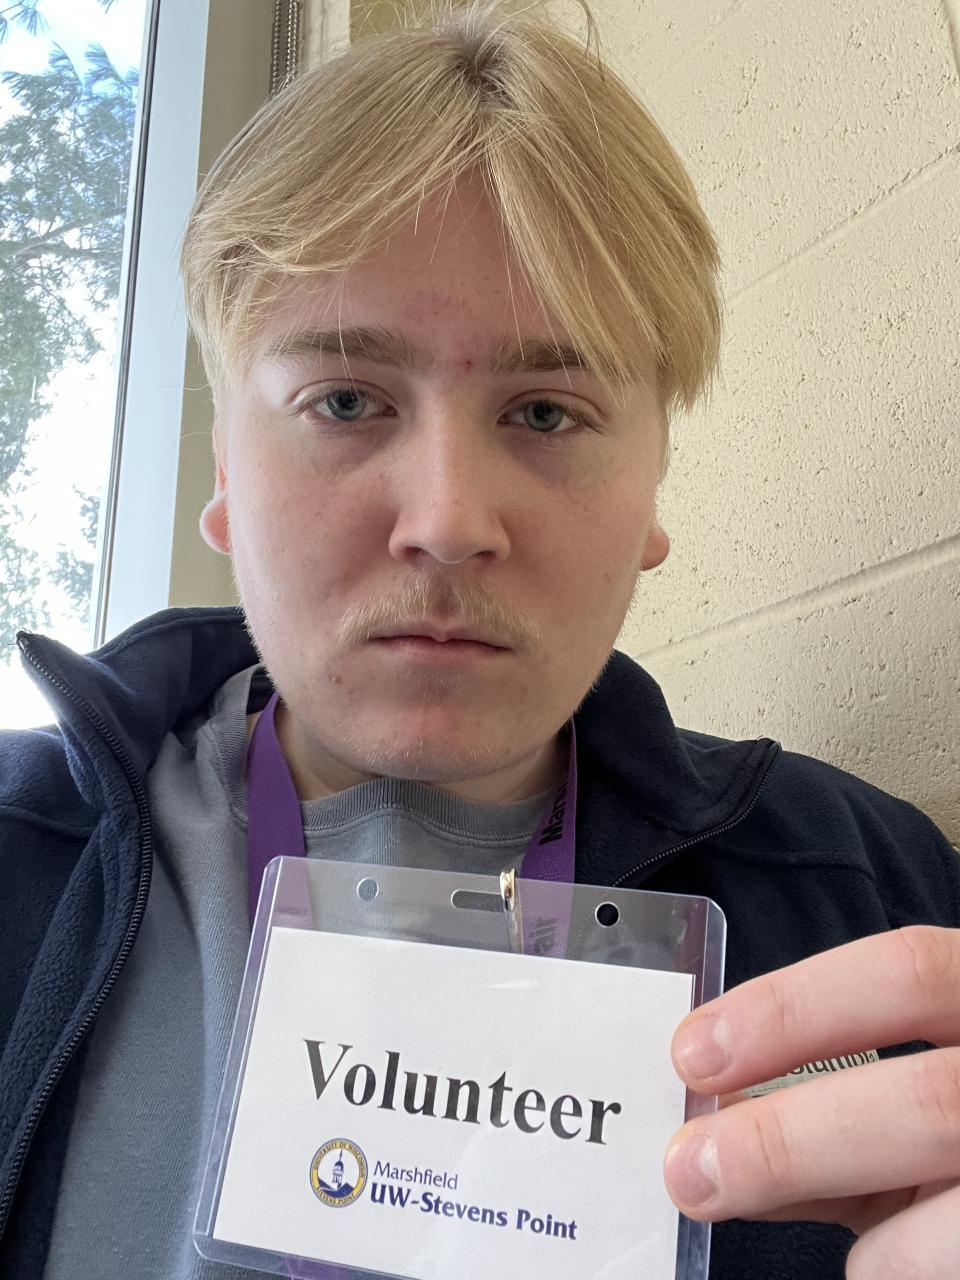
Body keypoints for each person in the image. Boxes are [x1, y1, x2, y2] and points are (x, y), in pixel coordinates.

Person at [1, 1, 957, 1277]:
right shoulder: (15, 856)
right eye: (346, 399)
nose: (448, 522)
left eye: (547, 412)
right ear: (224, 473)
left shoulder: (867, 895)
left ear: (654, 486)